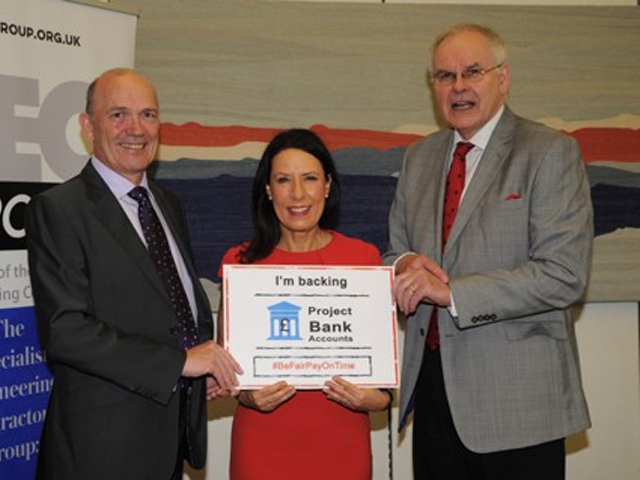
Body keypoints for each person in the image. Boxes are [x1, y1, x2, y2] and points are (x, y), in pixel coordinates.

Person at [383, 24, 593, 480]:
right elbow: (394, 253)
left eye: (472, 72)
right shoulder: (417, 158)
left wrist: (450, 292)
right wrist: (402, 266)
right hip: (435, 394)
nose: (458, 87)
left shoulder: (550, 152)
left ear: (503, 77)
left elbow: (563, 274)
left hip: (519, 405)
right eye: (444, 76)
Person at [25, 68, 242, 480]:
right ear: (88, 126)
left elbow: (170, 308)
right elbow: (65, 330)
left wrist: (200, 372)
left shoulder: (167, 204)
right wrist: (180, 362)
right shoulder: (59, 209)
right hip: (101, 450)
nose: (136, 129)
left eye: (148, 114)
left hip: (167, 439)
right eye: (119, 115)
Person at [217, 128, 392, 480]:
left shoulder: (364, 259)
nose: (298, 194)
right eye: (283, 180)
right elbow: (228, 371)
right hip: (263, 447)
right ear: (268, 190)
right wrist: (248, 397)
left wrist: (374, 400)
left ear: (327, 185)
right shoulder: (240, 264)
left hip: (342, 448)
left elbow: (383, 389)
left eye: (310, 178)